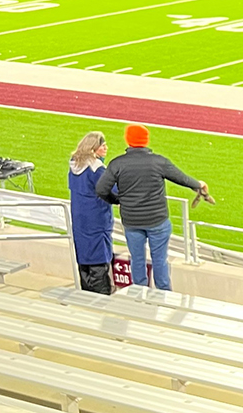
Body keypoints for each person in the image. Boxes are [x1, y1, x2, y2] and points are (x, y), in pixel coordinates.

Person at [95, 124, 207, 292]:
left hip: (132, 221)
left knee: (137, 260)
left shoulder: (117, 164)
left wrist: (117, 200)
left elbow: (101, 189)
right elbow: (182, 178)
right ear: (146, 140)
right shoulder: (158, 162)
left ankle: (140, 294)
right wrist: (199, 184)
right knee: (159, 260)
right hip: (157, 220)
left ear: (128, 140)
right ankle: (164, 295)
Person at [68, 131, 114, 294]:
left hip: (79, 219)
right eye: (103, 145)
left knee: (84, 259)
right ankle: (102, 296)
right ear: (93, 148)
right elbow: (112, 190)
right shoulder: (96, 169)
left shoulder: (74, 165)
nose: (106, 148)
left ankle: (86, 295)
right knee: (99, 258)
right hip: (97, 220)